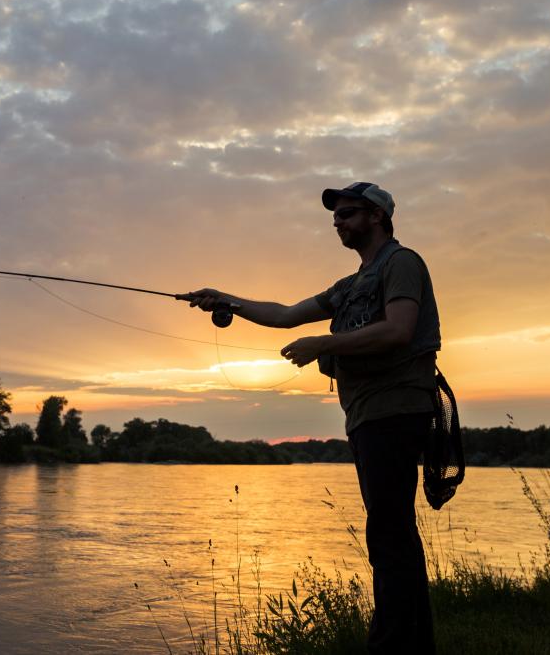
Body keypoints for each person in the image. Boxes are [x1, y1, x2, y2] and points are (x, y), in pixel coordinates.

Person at [183, 181, 440, 654]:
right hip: (367, 416)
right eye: (335, 215)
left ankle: (392, 646)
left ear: (377, 217)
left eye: (347, 213)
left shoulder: (402, 263)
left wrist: (323, 344)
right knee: (392, 531)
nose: (337, 221)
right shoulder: (348, 287)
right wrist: (228, 301)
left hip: (396, 409)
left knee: (388, 535)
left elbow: (400, 330)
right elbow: (284, 315)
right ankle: (411, 644)